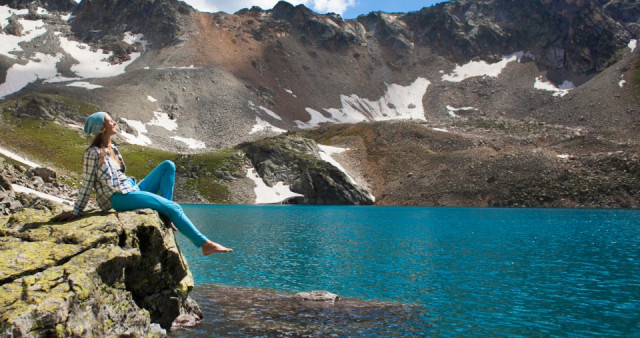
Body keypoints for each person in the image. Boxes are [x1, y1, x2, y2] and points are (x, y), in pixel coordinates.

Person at [54, 112, 232, 256]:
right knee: (175, 207)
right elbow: (87, 182)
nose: (114, 122)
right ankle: (204, 244)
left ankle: (166, 215)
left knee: (168, 166)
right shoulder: (93, 153)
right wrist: (76, 211)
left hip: (130, 189)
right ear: (102, 127)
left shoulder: (113, 149)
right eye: (110, 121)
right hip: (117, 198)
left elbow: (121, 176)